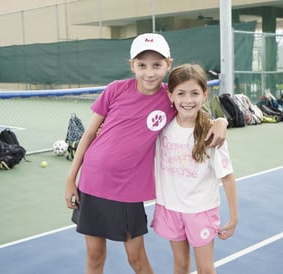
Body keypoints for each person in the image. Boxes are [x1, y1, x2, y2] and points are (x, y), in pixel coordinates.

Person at [64, 33, 228, 274]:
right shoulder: (115, 90)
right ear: (132, 66)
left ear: (168, 65)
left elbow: (194, 111)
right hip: (92, 182)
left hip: (128, 191)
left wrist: (221, 121)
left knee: (136, 259)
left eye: (156, 65)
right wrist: (70, 179)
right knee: (95, 255)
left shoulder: (169, 97)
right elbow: (88, 134)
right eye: (142, 65)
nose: (149, 73)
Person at [152, 64, 238, 274]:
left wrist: (234, 217)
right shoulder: (161, 126)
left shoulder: (212, 133)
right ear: (170, 95)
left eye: (194, 93)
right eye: (181, 93)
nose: (188, 100)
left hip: (200, 211)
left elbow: (226, 176)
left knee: (205, 269)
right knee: (180, 266)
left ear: (205, 95)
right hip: (170, 208)